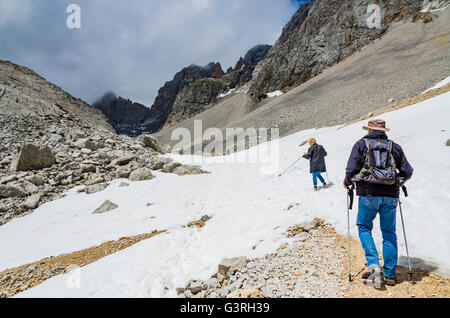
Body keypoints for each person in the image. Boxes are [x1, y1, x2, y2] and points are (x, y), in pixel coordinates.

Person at [343, 119, 413, 287]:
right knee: (389, 232)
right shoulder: (393, 146)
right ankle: (390, 274)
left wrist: (347, 181)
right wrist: (397, 181)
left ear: (369, 130)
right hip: (391, 195)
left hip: (368, 194)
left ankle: (373, 265)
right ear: (384, 131)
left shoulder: (361, 144)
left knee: (364, 227)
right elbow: (408, 171)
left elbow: (351, 169)